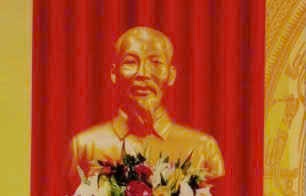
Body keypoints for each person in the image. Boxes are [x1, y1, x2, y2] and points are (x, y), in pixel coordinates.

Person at [69, 25, 227, 179]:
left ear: (171, 75)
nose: (143, 73)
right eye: (130, 62)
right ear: (114, 73)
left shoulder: (202, 148)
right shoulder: (85, 147)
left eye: (156, 63)